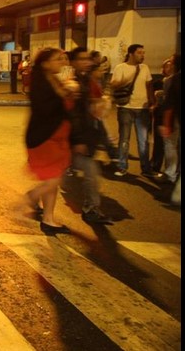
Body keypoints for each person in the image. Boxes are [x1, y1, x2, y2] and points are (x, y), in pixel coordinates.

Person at [24, 48, 75, 235]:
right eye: (57, 59)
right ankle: (32, 196)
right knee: (54, 179)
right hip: (45, 138)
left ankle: (48, 219)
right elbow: (45, 110)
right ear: (45, 63)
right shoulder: (40, 83)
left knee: (51, 179)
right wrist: (67, 94)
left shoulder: (54, 80)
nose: (62, 62)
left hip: (57, 138)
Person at [69, 47, 112, 224]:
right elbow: (73, 114)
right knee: (56, 178)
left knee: (89, 173)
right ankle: (33, 200)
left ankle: (91, 209)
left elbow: (92, 111)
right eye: (82, 59)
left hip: (85, 137)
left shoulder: (87, 81)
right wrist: (78, 140)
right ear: (73, 62)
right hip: (71, 139)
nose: (87, 62)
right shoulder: (72, 83)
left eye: (88, 59)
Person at [110, 44, 160, 178]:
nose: (142, 55)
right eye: (139, 53)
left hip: (142, 109)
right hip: (125, 108)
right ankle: (122, 167)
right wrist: (126, 79)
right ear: (131, 54)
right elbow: (113, 84)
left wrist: (152, 102)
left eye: (143, 53)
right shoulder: (120, 67)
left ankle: (146, 169)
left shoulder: (145, 68)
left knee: (143, 140)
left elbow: (149, 86)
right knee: (124, 139)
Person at [158, 54, 181, 206]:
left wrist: (167, 123)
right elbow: (169, 104)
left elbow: (169, 104)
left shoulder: (175, 79)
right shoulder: (174, 79)